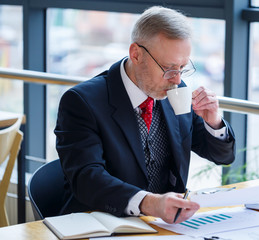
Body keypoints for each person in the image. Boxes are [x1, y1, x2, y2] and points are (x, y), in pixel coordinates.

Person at [55, 6, 236, 224]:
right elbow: (87, 179)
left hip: (163, 227)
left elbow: (222, 157)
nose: (177, 79)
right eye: (169, 68)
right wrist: (149, 203)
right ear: (136, 54)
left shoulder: (175, 89)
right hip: (100, 224)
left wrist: (213, 122)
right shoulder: (82, 102)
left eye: (182, 67)